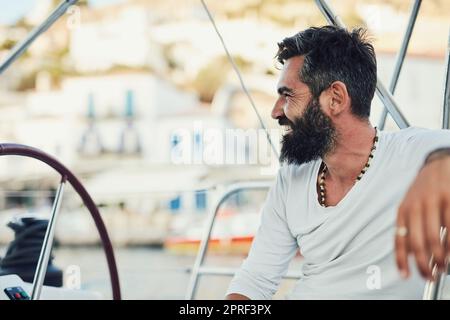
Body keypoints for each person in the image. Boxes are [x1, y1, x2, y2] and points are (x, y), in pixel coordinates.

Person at [225, 25, 450, 300]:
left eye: (288, 95)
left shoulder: (416, 153)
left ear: (335, 98)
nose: (275, 111)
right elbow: (255, 280)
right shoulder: (292, 177)